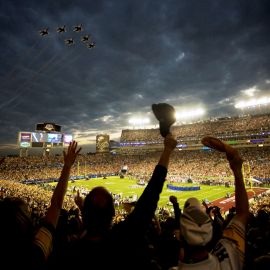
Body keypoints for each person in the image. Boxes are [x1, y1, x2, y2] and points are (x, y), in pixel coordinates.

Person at [60, 134, 177, 270]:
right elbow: (150, 197)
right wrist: (167, 150)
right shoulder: (122, 239)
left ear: (85, 214)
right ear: (112, 213)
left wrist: (67, 167)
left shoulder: (71, 252)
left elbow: (56, 205)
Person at [170, 137, 249, 270]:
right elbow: (242, 213)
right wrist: (237, 171)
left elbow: (242, 214)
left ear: (180, 238)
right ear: (210, 234)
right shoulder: (228, 258)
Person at [0, 141, 81, 270]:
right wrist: (67, 166)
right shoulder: (35, 253)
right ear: (24, 221)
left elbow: (56, 204)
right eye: (26, 211)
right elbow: (56, 204)